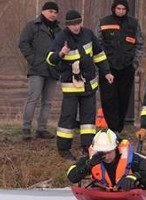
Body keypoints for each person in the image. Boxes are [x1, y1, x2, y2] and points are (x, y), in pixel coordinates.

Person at [47, 9, 113, 161]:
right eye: (73, 24)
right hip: (71, 86)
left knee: (88, 118)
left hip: (89, 85)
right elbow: (50, 59)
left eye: (78, 23)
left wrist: (107, 72)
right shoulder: (61, 37)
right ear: (68, 25)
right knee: (68, 117)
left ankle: (88, 146)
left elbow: (99, 54)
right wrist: (61, 53)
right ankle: (63, 148)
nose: (76, 27)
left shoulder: (88, 34)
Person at [96, 0, 145, 134]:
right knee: (108, 99)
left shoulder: (134, 24)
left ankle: (119, 128)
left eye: (124, 9)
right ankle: (112, 128)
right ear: (114, 8)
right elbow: (97, 45)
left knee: (123, 99)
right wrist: (102, 66)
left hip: (127, 68)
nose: (121, 11)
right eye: (118, 8)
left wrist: (134, 64)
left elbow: (140, 45)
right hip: (108, 69)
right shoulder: (103, 22)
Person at [68, 129, 146, 190]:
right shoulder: (93, 160)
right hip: (108, 191)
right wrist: (88, 166)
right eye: (102, 153)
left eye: (109, 152)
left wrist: (136, 176)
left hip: (132, 192)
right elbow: (72, 176)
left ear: (116, 148)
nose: (106, 157)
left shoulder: (133, 160)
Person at [19, 1, 61, 141]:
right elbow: (23, 43)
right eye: (50, 11)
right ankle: (26, 128)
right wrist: (32, 59)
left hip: (53, 70)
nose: (53, 14)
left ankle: (41, 129)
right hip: (37, 69)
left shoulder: (58, 30)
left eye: (55, 12)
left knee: (48, 101)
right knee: (33, 98)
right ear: (43, 11)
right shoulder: (32, 26)